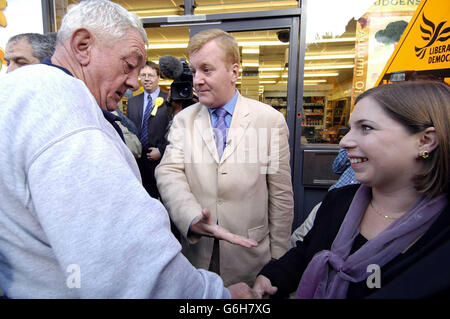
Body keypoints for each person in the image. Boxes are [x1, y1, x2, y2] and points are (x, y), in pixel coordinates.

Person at [0, 0, 253, 298]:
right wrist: (216, 297)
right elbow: (135, 272)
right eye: (129, 65)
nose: (134, 82)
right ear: (83, 46)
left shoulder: (20, 92)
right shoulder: (68, 116)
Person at [253, 80, 449, 299]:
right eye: (349, 128)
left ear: (425, 141)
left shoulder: (442, 232)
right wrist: (271, 277)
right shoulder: (337, 201)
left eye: (366, 128)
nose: (344, 141)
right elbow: (306, 251)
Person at [155, 29, 294, 286]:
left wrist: (279, 261)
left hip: (252, 260)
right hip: (198, 256)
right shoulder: (184, 120)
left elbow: (281, 195)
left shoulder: (269, 121)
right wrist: (192, 216)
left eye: (206, 70)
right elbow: (169, 172)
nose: (197, 80)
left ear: (234, 72)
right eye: (194, 70)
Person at [127, 61, 169, 199]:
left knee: (165, 200)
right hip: (139, 161)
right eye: (143, 75)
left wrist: (162, 150)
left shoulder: (169, 100)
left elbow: (176, 130)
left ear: (158, 77)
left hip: (161, 160)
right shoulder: (133, 102)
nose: (146, 79)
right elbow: (129, 129)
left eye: (150, 75)